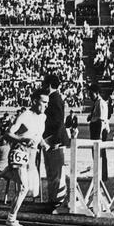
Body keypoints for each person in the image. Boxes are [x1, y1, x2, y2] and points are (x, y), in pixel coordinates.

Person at [1, 89, 50, 226]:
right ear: (35, 101)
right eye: (44, 102)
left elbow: (37, 134)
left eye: (47, 103)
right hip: (20, 152)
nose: (46, 105)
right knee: (23, 188)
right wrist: (21, 139)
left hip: (32, 155)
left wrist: (44, 144)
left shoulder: (43, 117)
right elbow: (7, 134)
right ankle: (11, 218)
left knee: (33, 190)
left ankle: (4, 172)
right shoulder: (24, 116)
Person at [42, 74, 70, 214]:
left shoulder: (55, 99)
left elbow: (59, 122)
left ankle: (57, 202)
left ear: (49, 85)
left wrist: (55, 141)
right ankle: (53, 200)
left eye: (44, 84)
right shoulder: (52, 98)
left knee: (57, 173)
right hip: (50, 140)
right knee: (52, 172)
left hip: (55, 141)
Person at [87, 83, 109, 182]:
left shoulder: (101, 103)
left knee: (100, 153)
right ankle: (99, 174)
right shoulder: (96, 103)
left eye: (91, 93)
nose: (89, 95)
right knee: (96, 153)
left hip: (99, 131)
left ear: (96, 93)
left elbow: (101, 120)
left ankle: (102, 176)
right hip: (95, 129)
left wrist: (99, 135)